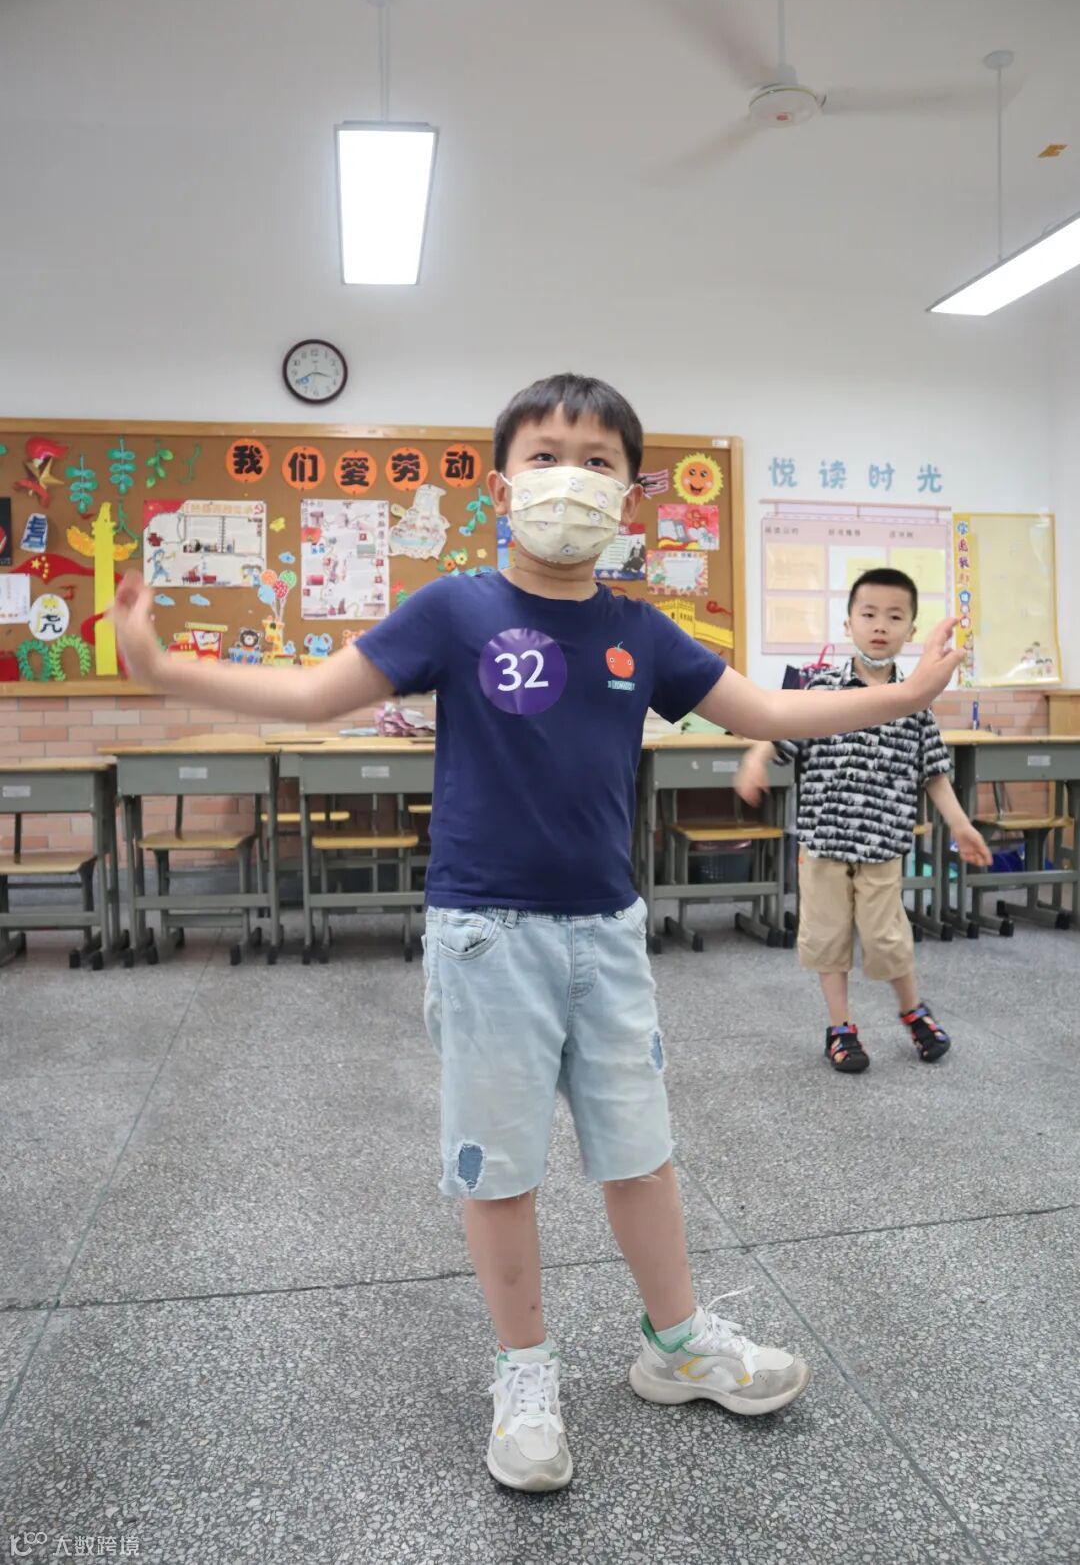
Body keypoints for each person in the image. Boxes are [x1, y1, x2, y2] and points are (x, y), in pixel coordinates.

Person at [109, 375, 966, 1493]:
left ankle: (677, 1345)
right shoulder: (453, 610)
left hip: (606, 932)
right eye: (548, 454)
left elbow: (767, 712)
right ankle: (524, 1372)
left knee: (640, 1151)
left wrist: (904, 696)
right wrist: (164, 668)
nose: (573, 477)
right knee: (499, 1164)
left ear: (631, 495)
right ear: (501, 484)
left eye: (599, 460)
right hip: (486, 934)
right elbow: (319, 694)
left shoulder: (641, 630)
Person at [736, 568, 992, 1076]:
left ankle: (913, 1011)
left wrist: (961, 825)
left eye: (894, 617)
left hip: (883, 845)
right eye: (869, 614)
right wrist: (755, 758)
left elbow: (933, 773)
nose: (880, 625)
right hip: (823, 841)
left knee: (887, 938)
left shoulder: (914, 701)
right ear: (848, 623)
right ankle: (840, 1028)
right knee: (826, 937)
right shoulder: (823, 689)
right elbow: (780, 727)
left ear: (910, 631)